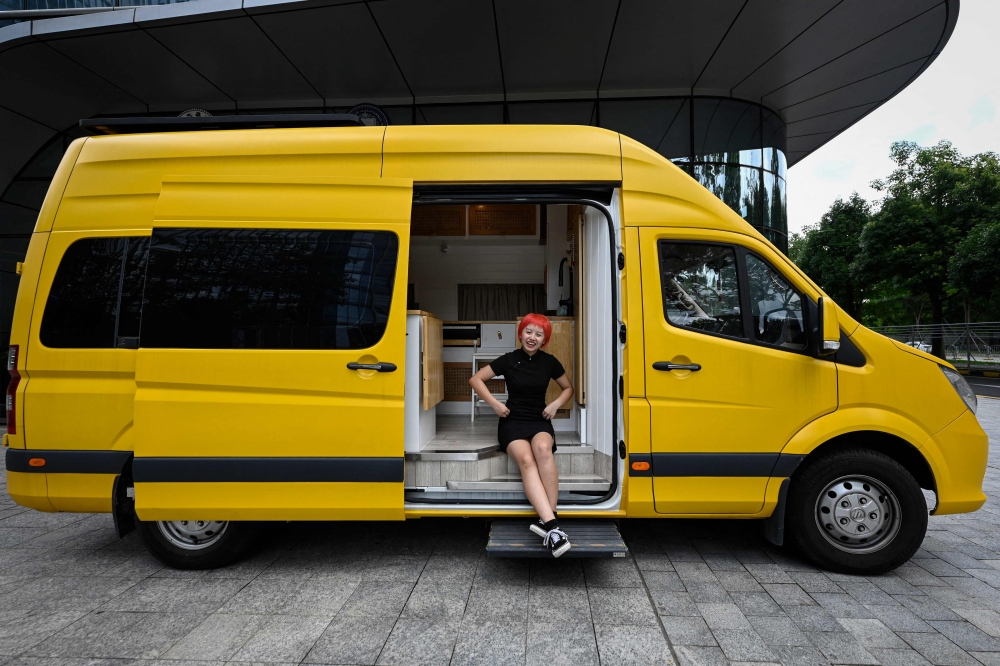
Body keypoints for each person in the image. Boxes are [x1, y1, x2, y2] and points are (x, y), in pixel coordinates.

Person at [469, 313, 575, 557]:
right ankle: (553, 527)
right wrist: (495, 404)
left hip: (539, 419)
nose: (532, 337)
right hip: (512, 421)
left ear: (544, 340)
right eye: (529, 332)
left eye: (539, 334)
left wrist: (555, 404)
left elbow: (568, 388)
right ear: (521, 334)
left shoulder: (550, 362)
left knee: (543, 450)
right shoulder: (508, 360)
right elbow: (476, 380)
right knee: (527, 461)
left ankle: (549, 520)